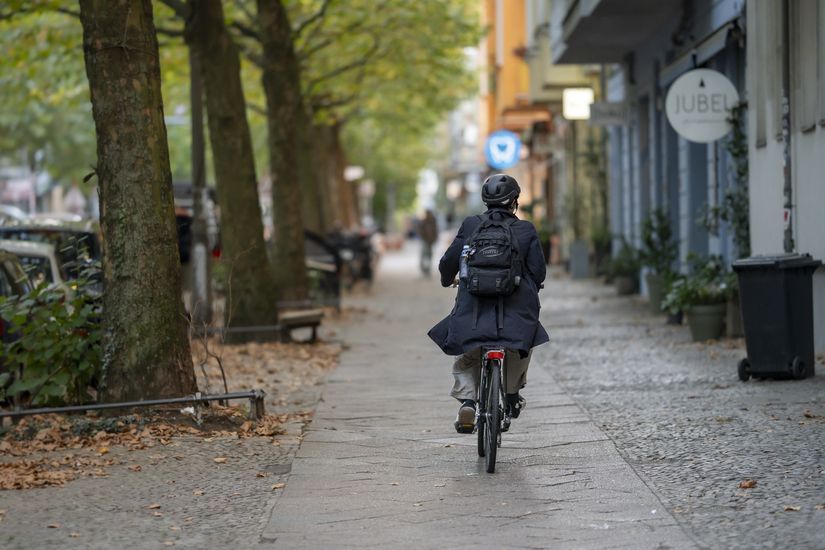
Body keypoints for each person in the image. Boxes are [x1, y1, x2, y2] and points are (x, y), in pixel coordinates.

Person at [428, 174, 549, 433]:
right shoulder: (525, 229)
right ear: (514, 201)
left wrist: (447, 279)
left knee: (468, 355)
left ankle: (469, 401)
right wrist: (532, 286)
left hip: (473, 310)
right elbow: (538, 271)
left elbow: (449, 261)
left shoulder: (472, 225)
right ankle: (513, 394)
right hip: (516, 311)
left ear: (485, 201)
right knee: (521, 346)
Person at [418, 209, 438, 276]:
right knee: (424, 254)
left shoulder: (433, 221)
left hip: (430, 241)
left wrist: (434, 238)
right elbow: (421, 231)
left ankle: (428, 269)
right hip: (425, 240)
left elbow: (435, 231)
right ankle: (423, 268)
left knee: (429, 255)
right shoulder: (423, 222)